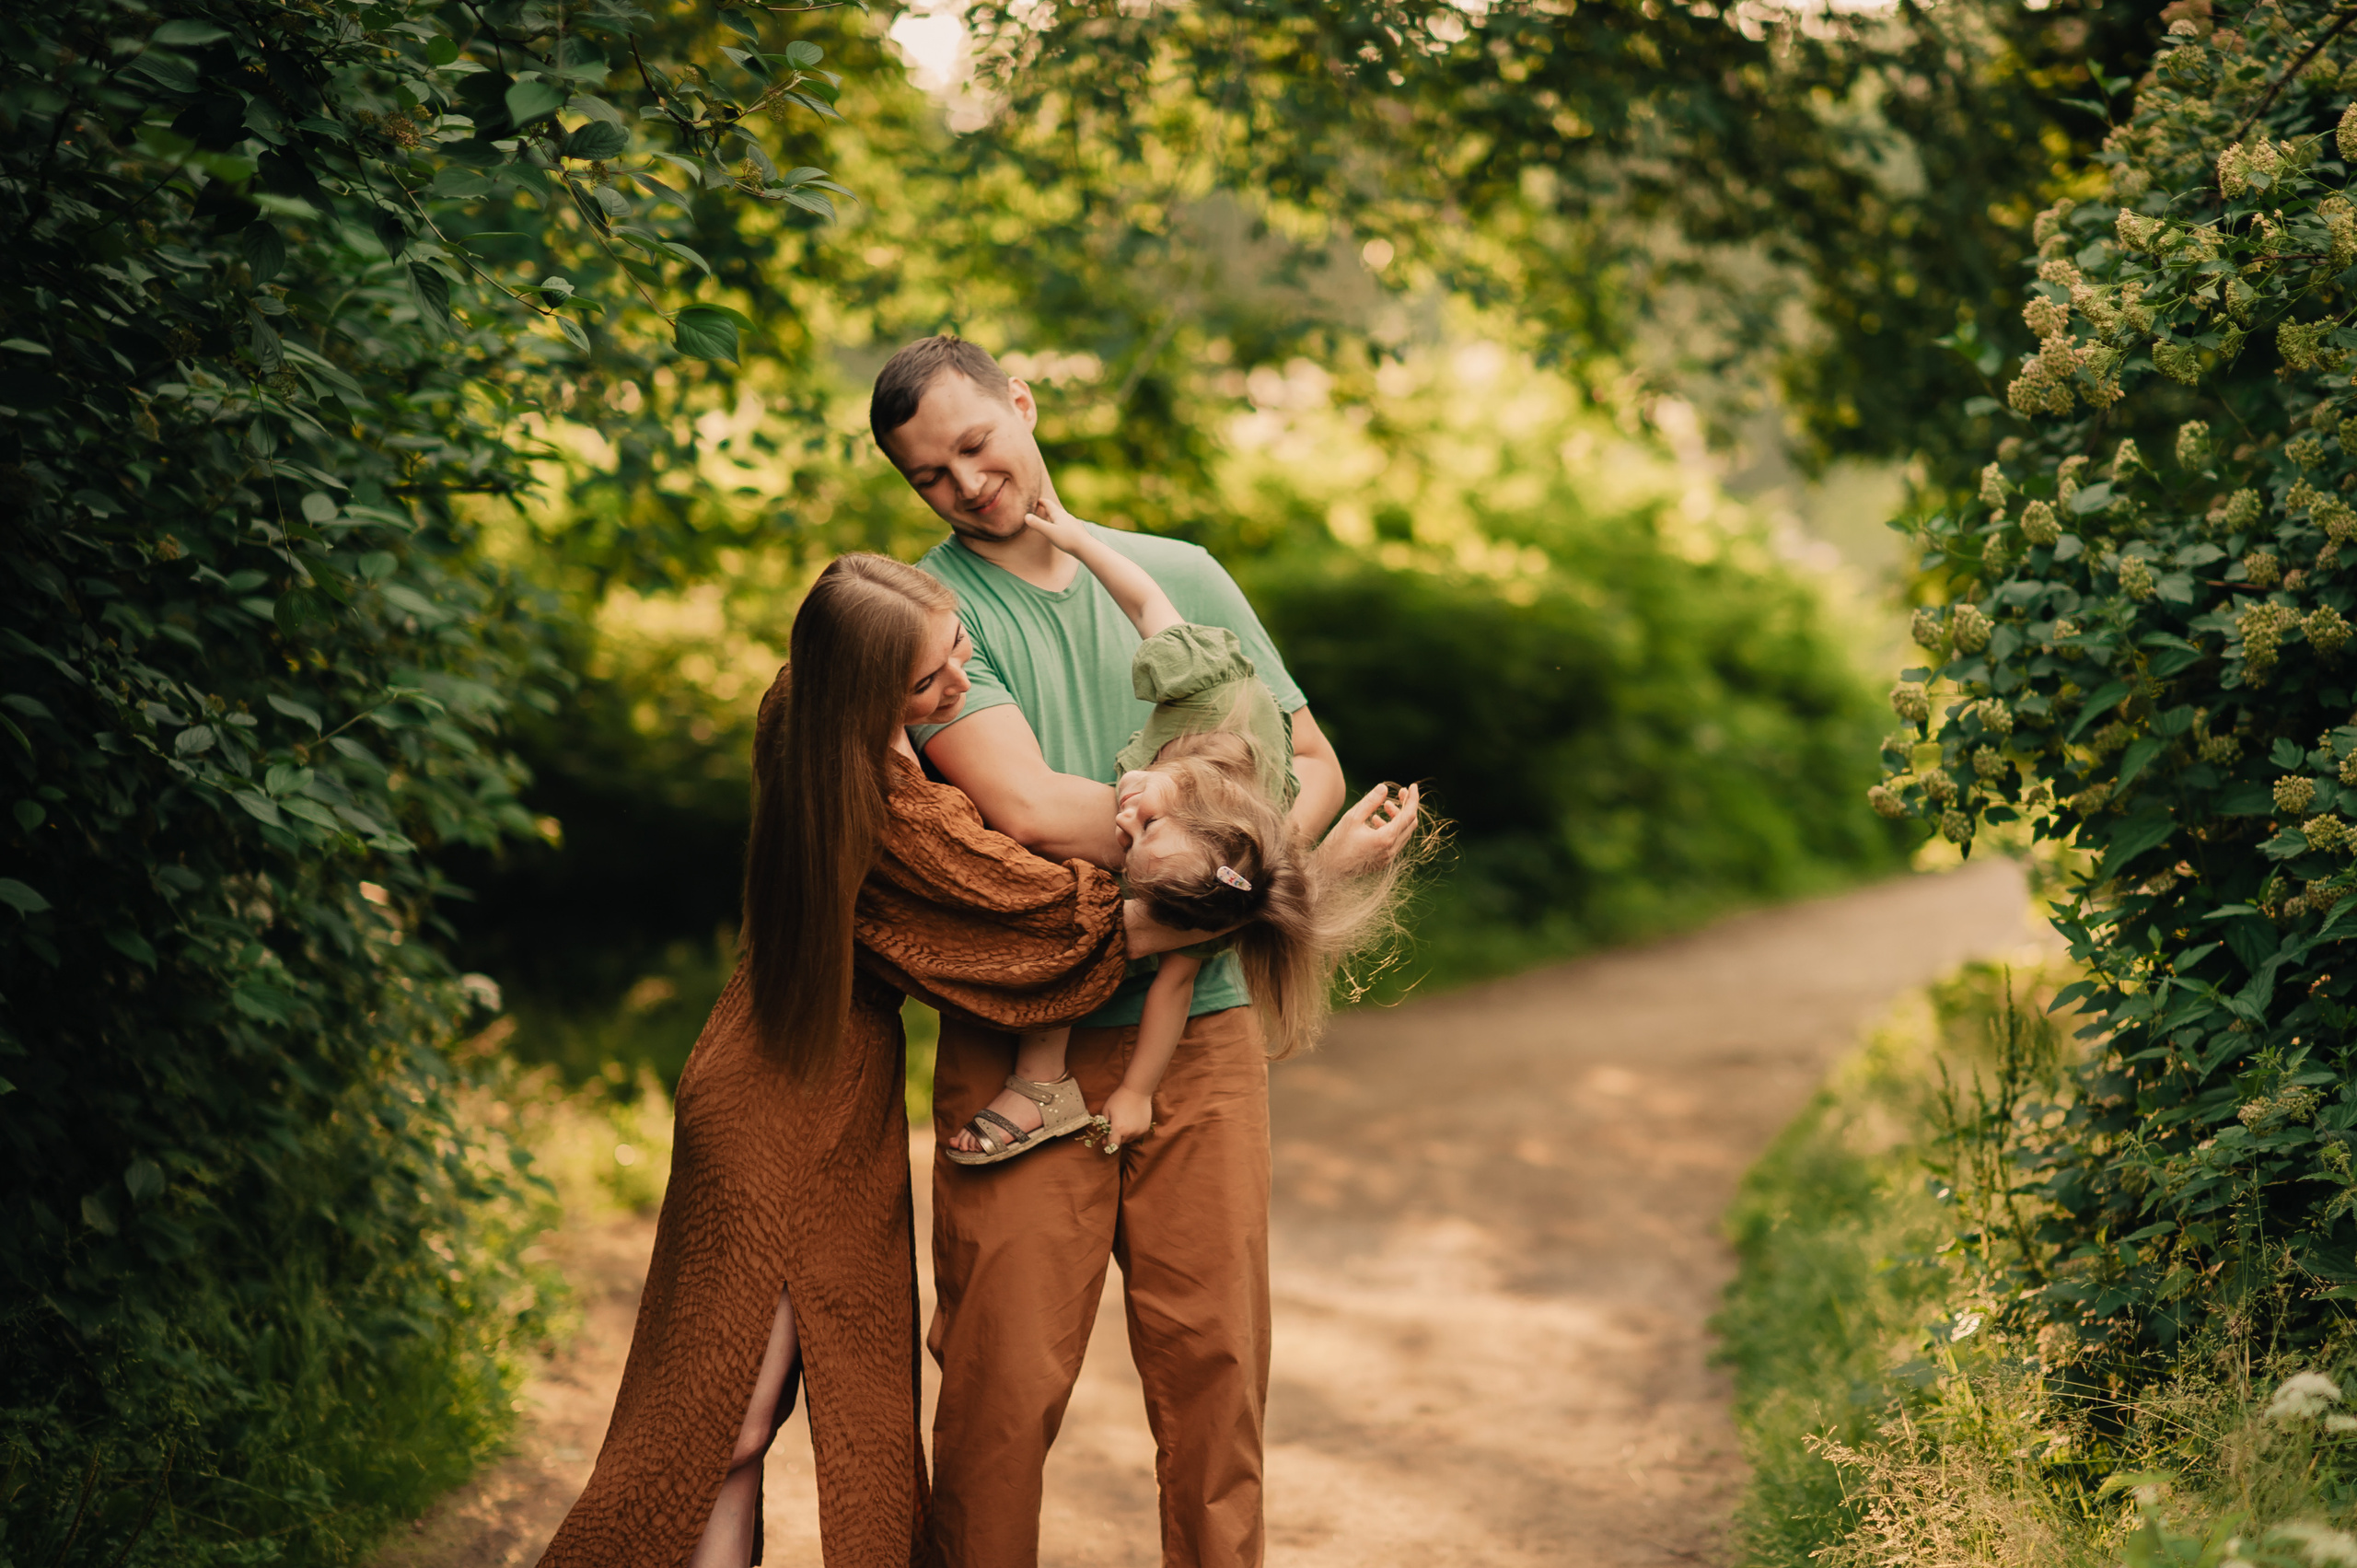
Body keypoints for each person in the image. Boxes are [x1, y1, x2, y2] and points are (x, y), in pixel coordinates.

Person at [534, 553, 1235, 1568]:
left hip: (818, 1086)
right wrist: (1245, 862)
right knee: (715, 1422)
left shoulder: (808, 719)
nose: (956, 690)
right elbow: (1051, 924)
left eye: (959, 654)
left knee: (754, 1418)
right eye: (925, 682)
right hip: (776, 1107)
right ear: (862, 691)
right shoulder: (882, 808)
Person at [870, 335, 1415, 1567]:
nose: (964, 482)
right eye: (929, 476)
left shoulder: (1185, 574)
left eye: (974, 442)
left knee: (1217, 1373)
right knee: (1000, 1392)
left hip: (1205, 1035)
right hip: (1021, 1040)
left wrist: (1237, 866)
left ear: (1022, 400)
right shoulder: (926, 617)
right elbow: (1025, 808)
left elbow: (1311, 761)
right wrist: (1248, 858)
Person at [943, 499, 1421, 1164]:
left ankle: (1042, 1080)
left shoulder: (1207, 879)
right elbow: (1144, 601)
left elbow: (1174, 984)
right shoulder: (1212, 693)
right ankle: (1041, 1078)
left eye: (1131, 839)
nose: (1122, 816)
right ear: (1205, 802)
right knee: (1067, 891)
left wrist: (1137, 1093)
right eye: (1148, 823)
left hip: (1187, 916)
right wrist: (1080, 543)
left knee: (1087, 905)